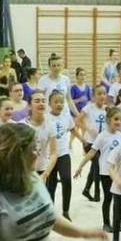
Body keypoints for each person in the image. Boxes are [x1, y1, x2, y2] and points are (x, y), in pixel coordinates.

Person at [74, 107, 121, 233]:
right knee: (108, 198)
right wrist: (81, 166)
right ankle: (106, 223)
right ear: (108, 120)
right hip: (106, 172)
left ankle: (116, 222)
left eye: (120, 119)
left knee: (118, 199)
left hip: (118, 173)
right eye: (116, 119)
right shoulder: (102, 136)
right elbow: (92, 152)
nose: (118, 122)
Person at [46, 90, 84, 219]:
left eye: (61, 102)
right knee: (51, 184)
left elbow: (73, 129)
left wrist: (82, 140)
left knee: (67, 180)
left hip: (63, 153)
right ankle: (50, 211)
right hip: (50, 156)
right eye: (56, 102)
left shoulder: (66, 116)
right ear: (50, 103)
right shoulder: (46, 117)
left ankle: (65, 211)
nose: (59, 104)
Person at [75, 86, 108, 203]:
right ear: (94, 96)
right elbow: (77, 120)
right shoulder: (89, 108)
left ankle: (87, 189)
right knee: (97, 165)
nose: (102, 96)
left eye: (104, 93)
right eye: (99, 93)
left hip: (101, 144)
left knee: (95, 167)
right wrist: (88, 128)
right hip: (89, 142)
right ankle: (97, 192)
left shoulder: (107, 109)